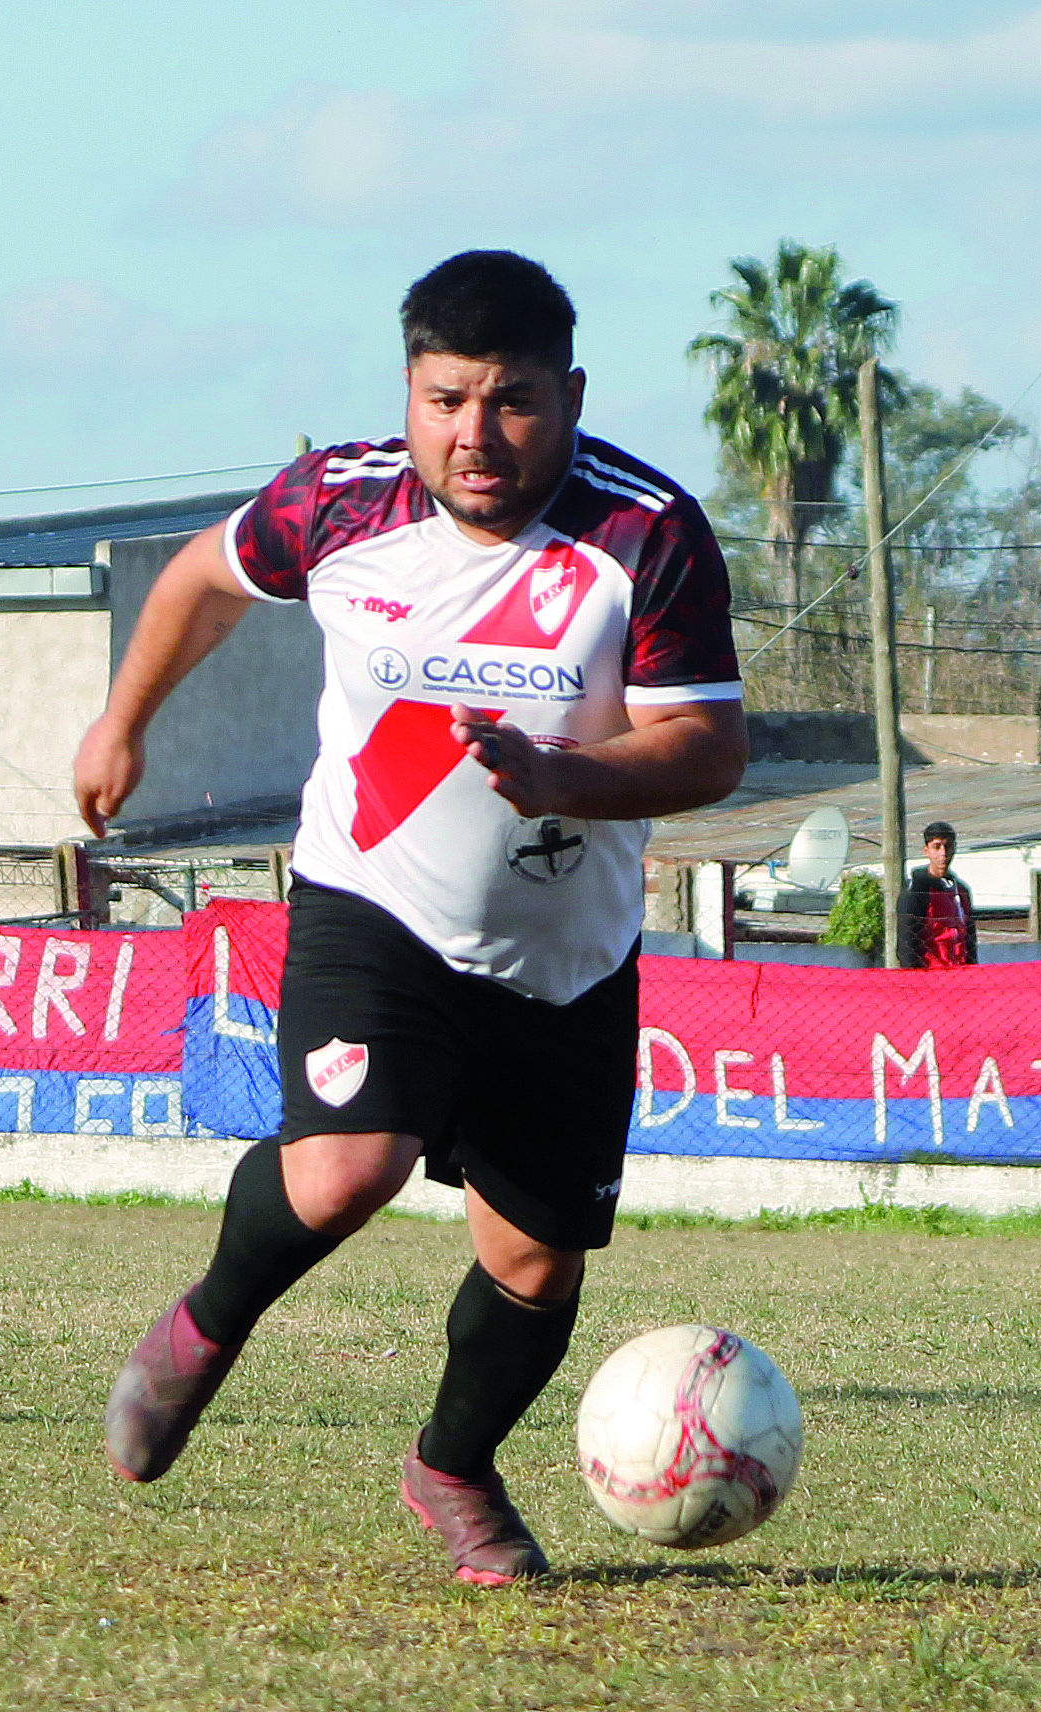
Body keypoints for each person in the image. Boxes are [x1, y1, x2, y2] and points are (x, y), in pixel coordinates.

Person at [78, 251, 749, 1585]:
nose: (475, 436)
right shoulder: (339, 501)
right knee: (346, 1168)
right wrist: (122, 720)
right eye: (446, 400)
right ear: (408, 391)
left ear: (569, 394)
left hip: (565, 958)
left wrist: (566, 776)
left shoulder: (646, 533)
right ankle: (204, 1328)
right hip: (371, 904)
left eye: (509, 403)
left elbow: (709, 750)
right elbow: (201, 584)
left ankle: (451, 1467)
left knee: (536, 1265)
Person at [897, 821, 977, 969]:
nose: (943, 853)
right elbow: (906, 942)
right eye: (937, 847)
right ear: (926, 850)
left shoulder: (961, 891)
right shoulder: (916, 890)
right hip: (931, 974)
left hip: (961, 973)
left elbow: (970, 940)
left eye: (948, 846)